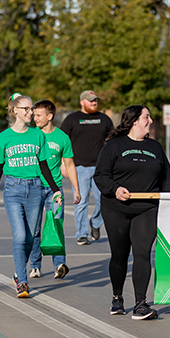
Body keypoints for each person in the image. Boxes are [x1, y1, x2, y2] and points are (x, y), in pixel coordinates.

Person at [94, 105, 170, 319]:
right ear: (134, 121)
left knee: (142, 253)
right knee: (120, 255)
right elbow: (100, 175)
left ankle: (141, 304)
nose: (150, 121)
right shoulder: (114, 146)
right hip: (116, 208)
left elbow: (167, 180)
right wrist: (115, 189)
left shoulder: (155, 147)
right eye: (146, 117)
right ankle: (117, 297)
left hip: (146, 208)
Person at [0, 93, 62, 298]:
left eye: (32, 109)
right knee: (20, 236)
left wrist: (56, 190)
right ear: (15, 111)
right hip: (13, 190)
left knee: (30, 238)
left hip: (36, 188)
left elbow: (44, 165)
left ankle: (17, 273)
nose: (31, 113)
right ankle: (22, 282)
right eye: (27, 109)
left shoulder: (38, 135)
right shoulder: (3, 138)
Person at [29, 100, 82, 280]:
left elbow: (69, 164)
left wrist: (76, 189)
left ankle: (59, 264)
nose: (34, 118)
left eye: (38, 115)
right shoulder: (31, 135)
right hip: (34, 187)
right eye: (34, 115)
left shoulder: (62, 138)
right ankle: (35, 265)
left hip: (55, 190)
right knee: (35, 229)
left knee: (56, 225)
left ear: (50, 116)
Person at [61, 90, 113, 245]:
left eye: (95, 100)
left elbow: (112, 141)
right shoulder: (72, 119)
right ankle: (82, 234)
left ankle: (95, 223)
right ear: (82, 102)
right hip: (79, 168)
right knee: (81, 201)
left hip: (101, 168)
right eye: (91, 101)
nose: (94, 103)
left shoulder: (104, 119)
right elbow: (62, 142)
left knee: (105, 200)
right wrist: (63, 163)